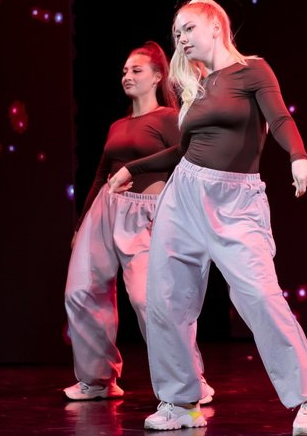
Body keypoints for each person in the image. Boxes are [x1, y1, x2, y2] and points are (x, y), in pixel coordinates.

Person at [108, 0, 307, 436]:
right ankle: (179, 402)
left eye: (188, 28)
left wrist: (298, 157)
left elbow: (280, 118)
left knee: (260, 295)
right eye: (177, 34)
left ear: (215, 25)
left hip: (236, 201)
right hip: (183, 195)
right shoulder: (198, 85)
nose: (182, 39)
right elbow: (186, 151)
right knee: (166, 300)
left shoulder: (252, 70)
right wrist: (134, 168)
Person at [64, 41, 214, 403]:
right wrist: (81, 224)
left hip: (147, 213)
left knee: (150, 300)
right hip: (105, 210)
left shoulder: (169, 118)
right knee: (80, 292)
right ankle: (98, 380)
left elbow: (188, 159)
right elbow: (101, 173)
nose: (127, 76)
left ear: (158, 76)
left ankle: (189, 381)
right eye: (124, 71)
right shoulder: (118, 125)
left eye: (136, 70)